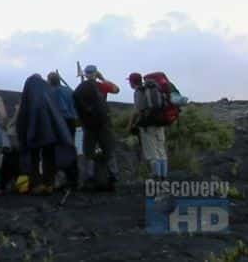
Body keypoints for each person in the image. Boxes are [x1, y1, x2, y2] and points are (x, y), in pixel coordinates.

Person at [16, 74, 76, 195]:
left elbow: (22, 117)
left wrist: (22, 134)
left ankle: (36, 183)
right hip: (50, 132)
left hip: (33, 133)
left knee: (34, 158)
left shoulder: (29, 96)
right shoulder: (48, 93)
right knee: (49, 157)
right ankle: (49, 183)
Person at [73, 64, 120, 192]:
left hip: (88, 125)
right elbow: (117, 90)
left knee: (89, 152)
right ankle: (113, 177)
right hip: (104, 123)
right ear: (95, 73)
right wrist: (103, 78)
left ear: (85, 74)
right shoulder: (101, 86)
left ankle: (89, 178)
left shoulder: (80, 88)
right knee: (108, 149)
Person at [126, 72, 168, 180]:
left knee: (152, 152)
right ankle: (164, 176)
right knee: (161, 150)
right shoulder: (153, 88)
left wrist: (131, 124)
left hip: (147, 126)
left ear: (132, 82)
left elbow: (138, 110)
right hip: (160, 122)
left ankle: (156, 176)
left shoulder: (139, 92)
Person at [46, 72, 79, 189]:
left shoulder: (51, 93)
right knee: (70, 148)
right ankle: (73, 179)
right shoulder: (69, 91)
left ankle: (58, 179)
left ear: (49, 81)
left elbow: (58, 109)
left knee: (56, 150)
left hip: (58, 122)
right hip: (71, 122)